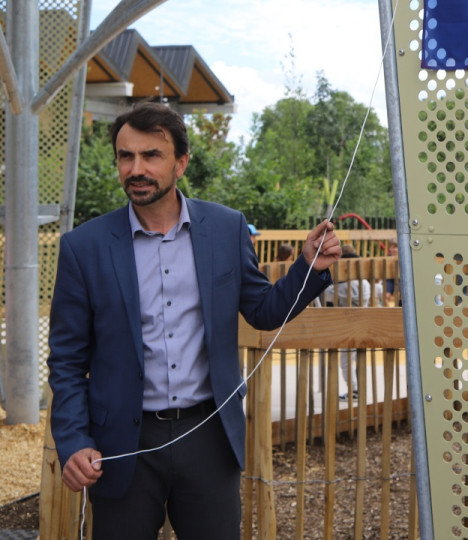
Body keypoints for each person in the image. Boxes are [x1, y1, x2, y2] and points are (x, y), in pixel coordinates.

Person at [47, 102, 343, 540]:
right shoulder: (83, 247)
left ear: (180, 163)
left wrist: (308, 268)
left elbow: (262, 310)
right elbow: (67, 360)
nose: (136, 168)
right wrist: (73, 441)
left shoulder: (226, 228)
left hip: (209, 436)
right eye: (126, 156)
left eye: (151, 155)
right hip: (122, 444)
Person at [319, 245, 371, 400]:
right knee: (358, 360)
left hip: (350, 329)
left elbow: (325, 294)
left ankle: (355, 390)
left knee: (346, 362)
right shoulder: (365, 283)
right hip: (362, 326)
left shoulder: (347, 286)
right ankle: (358, 389)